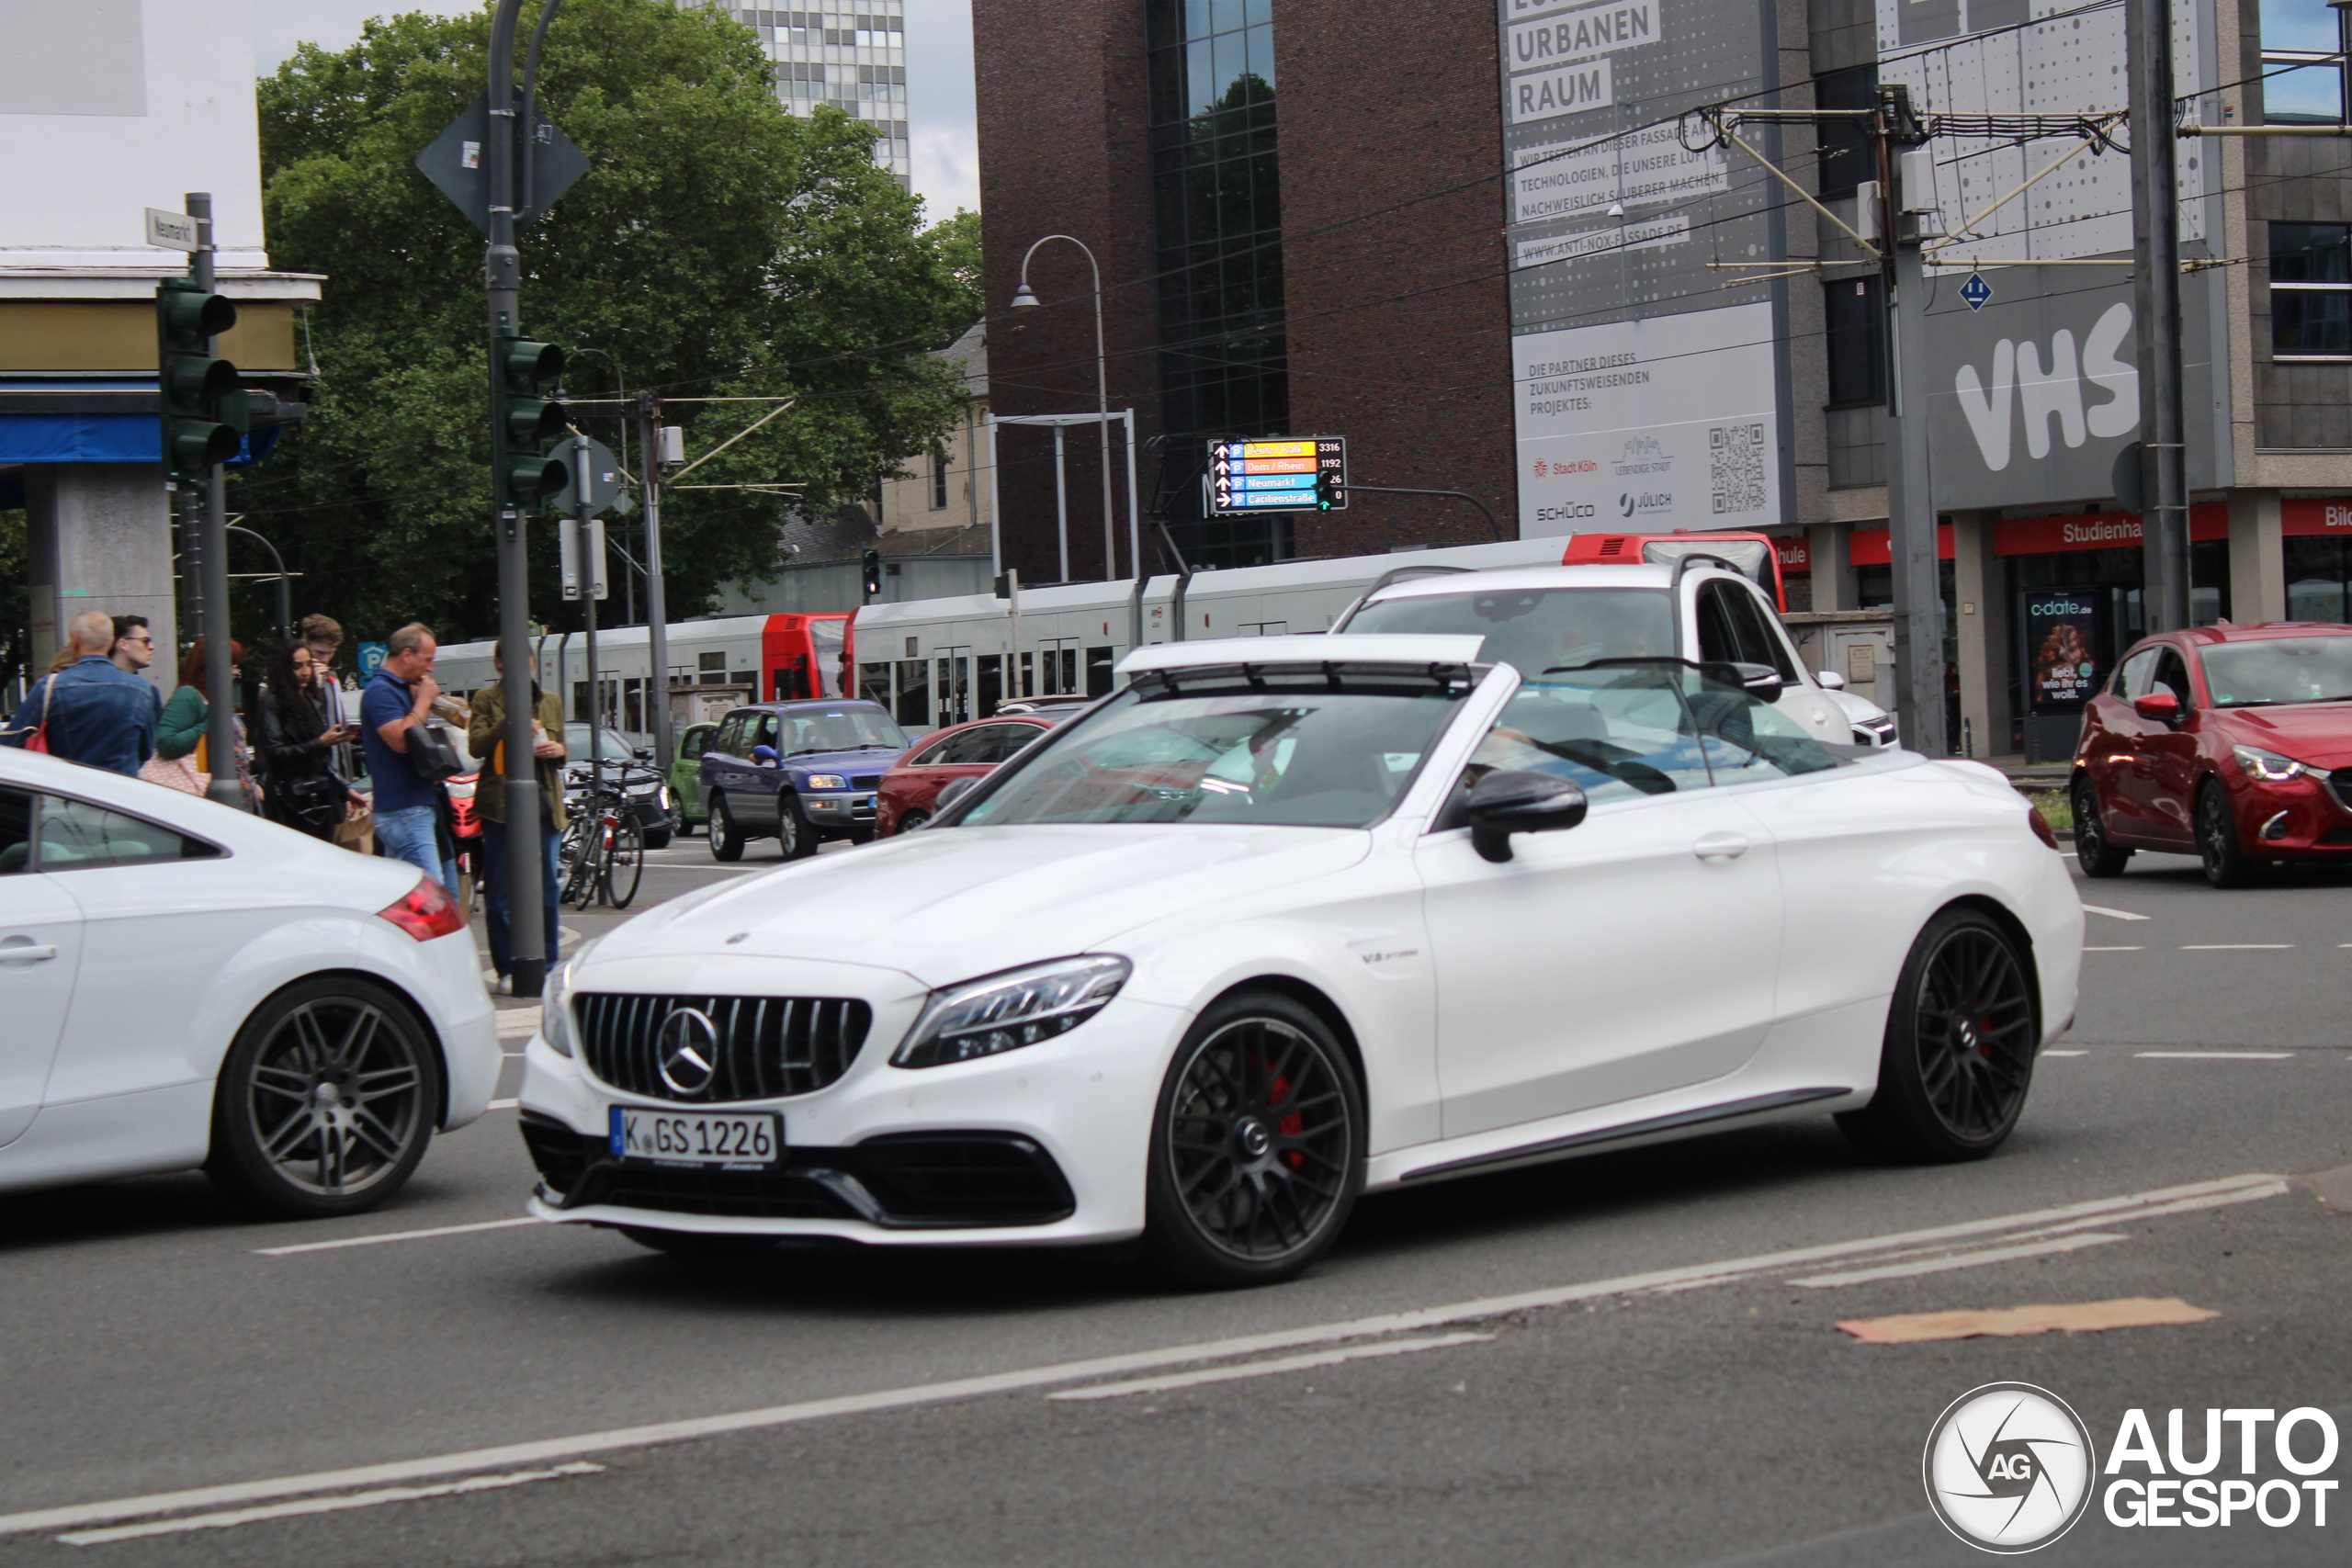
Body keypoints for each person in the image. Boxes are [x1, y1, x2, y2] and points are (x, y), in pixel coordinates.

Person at [468, 649, 569, 992]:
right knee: (499, 891)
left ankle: (548, 963)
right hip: (501, 806)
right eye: (511, 663)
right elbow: (476, 746)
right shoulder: (486, 699)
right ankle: (507, 968)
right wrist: (507, 722)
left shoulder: (550, 701)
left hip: (544, 802)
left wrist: (558, 751)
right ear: (498, 663)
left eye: (525, 664)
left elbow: (562, 749)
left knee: (547, 888)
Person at [362, 622, 459, 893]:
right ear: (407, 655)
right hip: (404, 810)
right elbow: (402, 741)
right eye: (427, 660)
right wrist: (423, 702)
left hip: (417, 805)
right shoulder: (381, 691)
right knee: (432, 896)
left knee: (429, 894)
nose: (430, 668)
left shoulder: (400, 689)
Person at [2, 610, 159, 775]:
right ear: (111, 641)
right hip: (119, 794)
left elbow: (12, 741)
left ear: (75, 641)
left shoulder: (50, 686)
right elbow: (146, 752)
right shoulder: (143, 690)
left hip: (69, 792)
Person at [256, 638, 365, 841]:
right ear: (284, 669)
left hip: (318, 798)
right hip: (290, 801)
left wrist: (345, 789)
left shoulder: (311, 699)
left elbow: (322, 762)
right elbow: (274, 753)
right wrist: (320, 743)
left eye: (308, 664)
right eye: (298, 666)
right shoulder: (271, 703)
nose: (305, 672)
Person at [156, 638, 244, 761]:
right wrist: (214, 722)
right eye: (232, 666)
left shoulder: (213, 700)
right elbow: (165, 744)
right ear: (210, 667)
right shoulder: (188, 695)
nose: (235, 672)